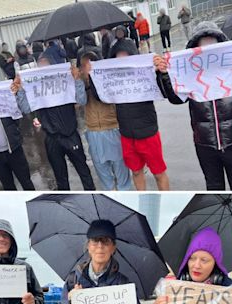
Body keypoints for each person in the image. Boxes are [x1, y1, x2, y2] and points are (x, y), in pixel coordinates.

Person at [155, 22, 232, 191]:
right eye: (203, 47)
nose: (207, 51)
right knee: (213, 187)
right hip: (204, 144)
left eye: (212, 45)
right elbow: (176, 98)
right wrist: (164, 74)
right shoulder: (190, 73)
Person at [12, 52, 96, 191]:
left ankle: (92, 197)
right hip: (51, 138)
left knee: (84, 172)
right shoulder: (36, 85)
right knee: (61, 178)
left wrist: (76, 80)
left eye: (46, 64)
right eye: (40, 65)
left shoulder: (65, 79)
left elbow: (82, 100)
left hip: (70, 134)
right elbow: (26, 109)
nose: (43, 67)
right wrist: (19, 90)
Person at [111, 37, 169, 191]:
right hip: (127, 134)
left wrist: (162, 73)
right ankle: (143, 203)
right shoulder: (113, 79)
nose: (123, 62)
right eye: (119, 58)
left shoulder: (147, 73)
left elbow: (166, 93)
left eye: (126, 57)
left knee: (158, 173)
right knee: (136, 172)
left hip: (148, 133)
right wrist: (92, 75)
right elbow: (100, 96)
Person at [79, 52, 132, 191]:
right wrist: (80, 82)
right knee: (103, 172)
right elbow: (80, 101)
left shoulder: (108, 78)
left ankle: (124, 194)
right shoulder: (80, 83)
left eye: (91, 64)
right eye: (85, 65)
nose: (88, 68)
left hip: (112, 128)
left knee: (121, 169)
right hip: (93, 132)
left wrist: (96, 81)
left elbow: (108, 98)